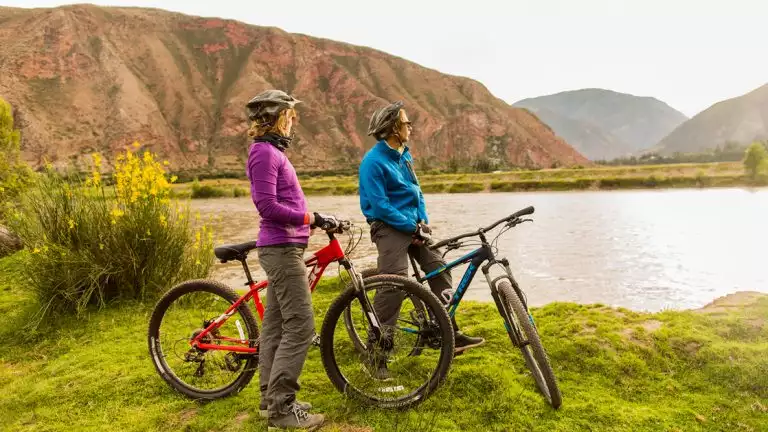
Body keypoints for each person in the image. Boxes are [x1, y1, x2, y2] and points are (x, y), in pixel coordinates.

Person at [358, 101, 485, 377]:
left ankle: (448, 331)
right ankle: (376, 355)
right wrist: (410, 226)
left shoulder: (403, 155)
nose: (410, 127)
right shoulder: (372, 163)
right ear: (393, 128)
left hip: (412, 225)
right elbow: (380, 206)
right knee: (394, 285)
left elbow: (418, 192)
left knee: (440, 269)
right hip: (388, 227)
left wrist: (422, 222)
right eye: (406, 123)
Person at [246, 89, 336, 430]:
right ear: (276, 117)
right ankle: (283, 411)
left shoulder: (270, 152)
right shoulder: (264, 154)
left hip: (286, 248)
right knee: (301, 326)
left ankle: (270, 401)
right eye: (289, 114)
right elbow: (267, 207)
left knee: (276, 326)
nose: (293, 119)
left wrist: (312, 218)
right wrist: (309, 218)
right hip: (281, 249)